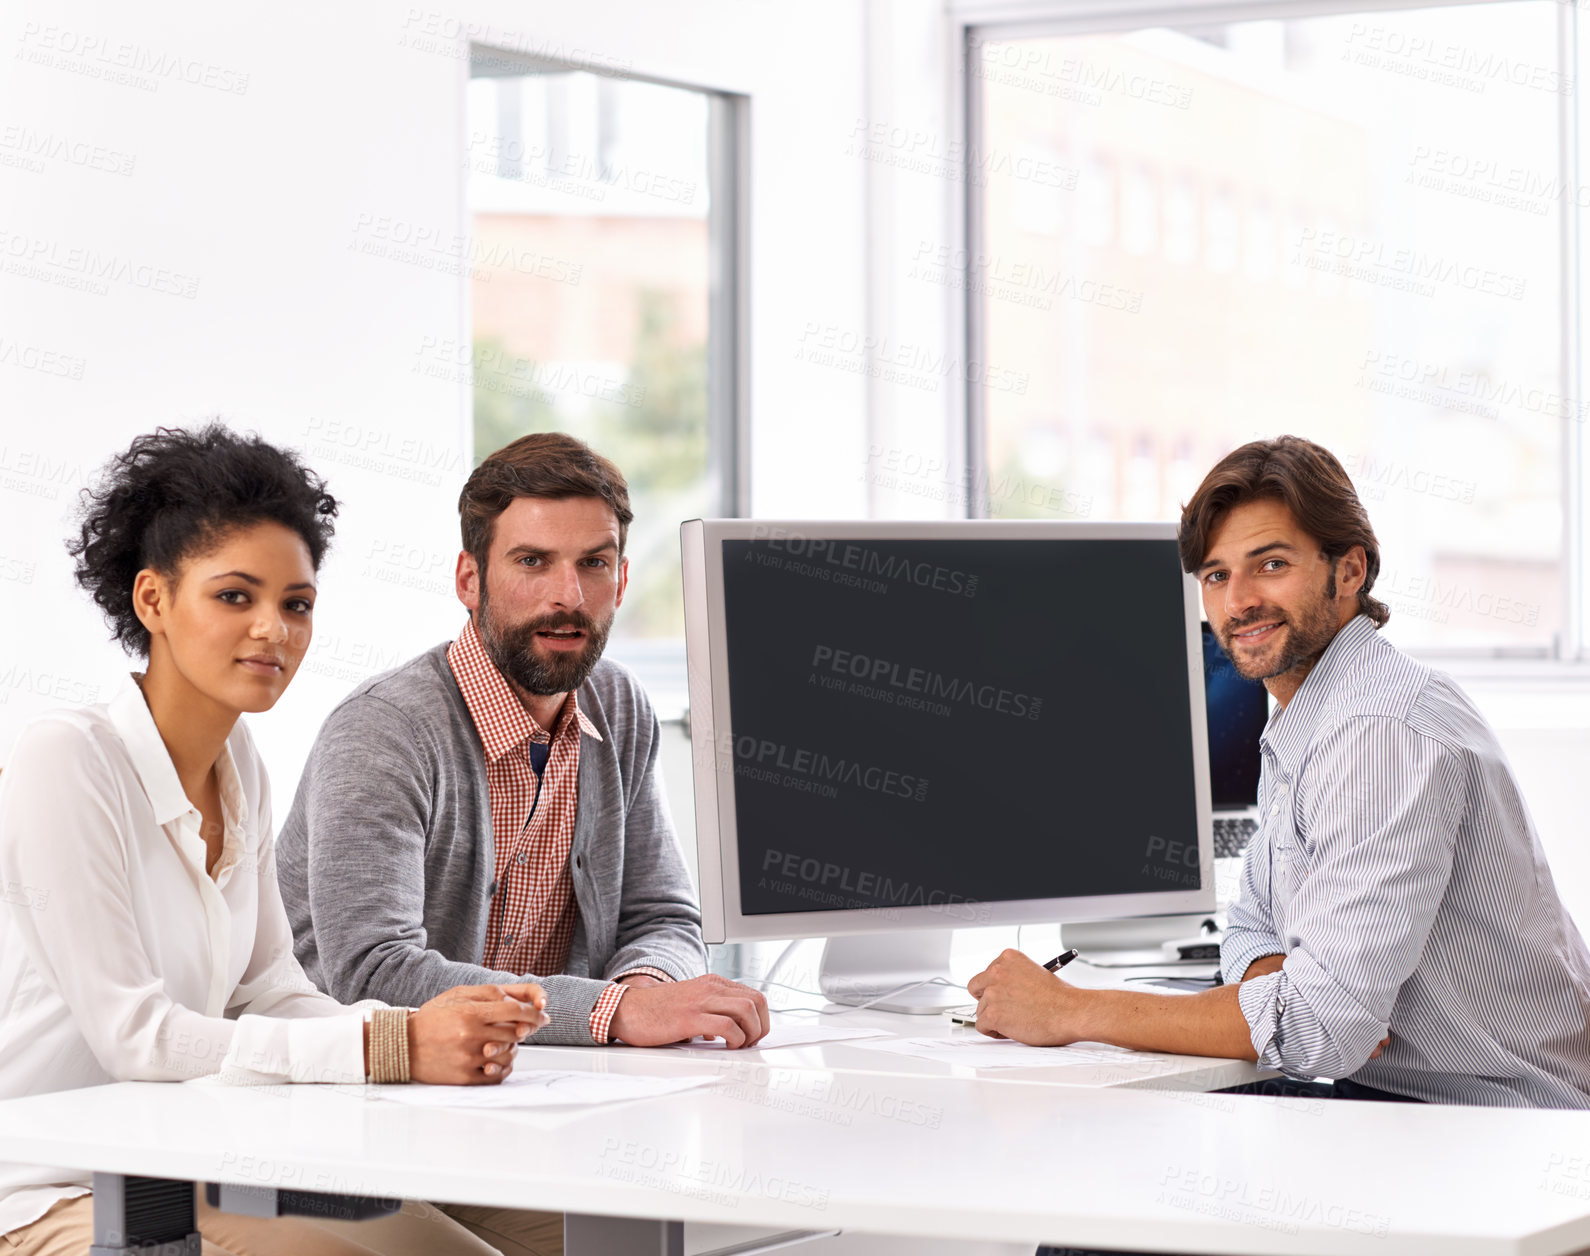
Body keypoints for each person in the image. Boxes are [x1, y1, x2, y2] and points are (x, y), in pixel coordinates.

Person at [0, 425, 552, 1256]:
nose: (274, 630)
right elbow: (138, 1038)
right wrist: (392, 1045)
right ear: (153, 600)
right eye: (235, 597)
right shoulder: (67, 759)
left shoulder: (239, 766)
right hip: (47, 1190)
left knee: (478, 1241)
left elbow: (269, 990)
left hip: (191, 1165)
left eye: (295, 604)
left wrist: (432, 1025)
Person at [972, 435, 1590, 1113]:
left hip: (1493, 1128)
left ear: (1348, 570)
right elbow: (1250, 929)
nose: (1237, 602)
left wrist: (1069, 1011)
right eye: (1216, 575)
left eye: (1269, 564)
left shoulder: (1377, 732)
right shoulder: (1310, 719)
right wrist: (1292, 990)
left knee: (1107, 1142)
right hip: (1392, 1100)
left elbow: (1319, 1030)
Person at [277, 431, 768, 1066]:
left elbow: (665, 917)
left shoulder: (618, 709)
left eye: (593, 563)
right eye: (532, 562)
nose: (568, 595)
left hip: (543, 1084)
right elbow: (371, 973)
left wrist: (644, 993)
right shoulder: (382, 733)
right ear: (470, 579)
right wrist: (612, 1012)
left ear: (621, 580)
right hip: (362, 1100)